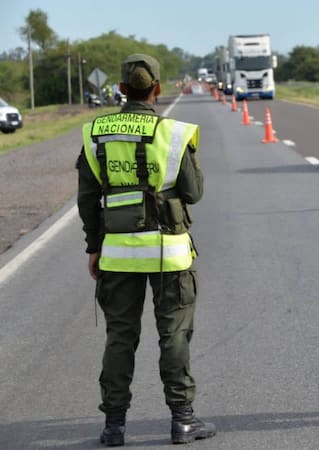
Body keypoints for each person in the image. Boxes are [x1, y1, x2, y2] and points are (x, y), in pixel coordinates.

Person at [75, 53, 216, 446]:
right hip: (169, 254)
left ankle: (114, 426)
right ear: (157, 88)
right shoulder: (172, 132)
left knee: (120, 336)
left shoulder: (95, 133)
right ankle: (182, 421)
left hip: (116, 254)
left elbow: (87, 198)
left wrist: (93, 247)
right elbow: (194, 192)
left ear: (121, 89)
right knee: (173, 335)